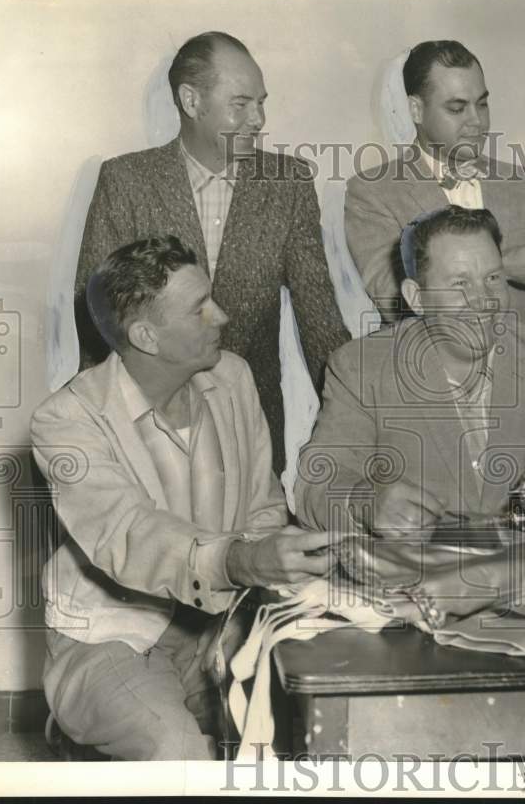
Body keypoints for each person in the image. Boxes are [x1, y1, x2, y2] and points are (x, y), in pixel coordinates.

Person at [33, 236, 336, 760]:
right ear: (146, 336)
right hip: (116, 636)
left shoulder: (233, 377)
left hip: (222, 628)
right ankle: (86, 725)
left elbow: (261, 507)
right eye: (200, 309)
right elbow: (127, 534)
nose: (222, 315)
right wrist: (242, 559)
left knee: (320, 728)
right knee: (177, 752)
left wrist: (287, 570)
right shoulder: (65, 422)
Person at [74, 31, 349, 473]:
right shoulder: (125, 181)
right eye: (240, 104)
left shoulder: (289, 183)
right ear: (191, 100)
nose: (258, 118)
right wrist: (101, 432)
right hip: (144, 428)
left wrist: (352, 416)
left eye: (261, 102)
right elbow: (96, 318)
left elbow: (319, 318)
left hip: (251, 427)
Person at [296, 206, 525, 534]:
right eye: (460, 284)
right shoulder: (362, 369)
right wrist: (364, 502)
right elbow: (316, 485)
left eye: (493, 278)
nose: (483, 300)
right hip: (414, 578)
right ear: (417, 298)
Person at [345, 39, 525, 328]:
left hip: (518, 365)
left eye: (482, 104)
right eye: (457, 108)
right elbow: (398, 304)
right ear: (416, 110)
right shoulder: (372, 193)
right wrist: (502, 268)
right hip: (427, 367)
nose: (477, 121)